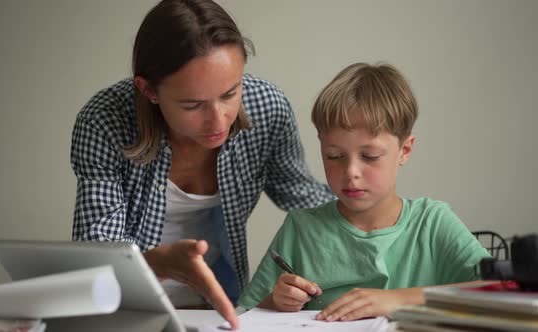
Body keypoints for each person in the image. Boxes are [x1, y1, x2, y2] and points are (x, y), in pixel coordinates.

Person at [70, 0, 334, 328]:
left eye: (230, 93)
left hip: (219, 301)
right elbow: (97, 255)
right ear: (149, 89)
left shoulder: (267, 107)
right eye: (193, 104)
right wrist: (158, 263)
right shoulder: (104, 120)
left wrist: (379, 213)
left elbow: (299, 192)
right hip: (127, 304)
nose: (218, 121)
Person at [237, 62, 491, 321]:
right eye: (334, 156)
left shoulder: (432, 223)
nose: (351, 172)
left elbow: (501, 291)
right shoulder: (300, 229)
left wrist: (397, 300)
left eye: (369, 156)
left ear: (405, 150)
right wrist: (276, 302)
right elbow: (246, 315)